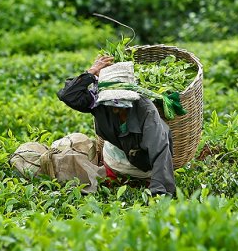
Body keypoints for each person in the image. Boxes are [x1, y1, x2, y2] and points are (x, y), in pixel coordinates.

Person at [57, 55, 176, 196]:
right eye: (110, 100)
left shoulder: (145, 110)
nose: (114, 106)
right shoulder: (98, 104)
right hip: (114, 162)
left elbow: (160, 151)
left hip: (143, 167)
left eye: (119, 100)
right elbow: (67, 95)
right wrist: (91, 72)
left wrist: (159, 193)